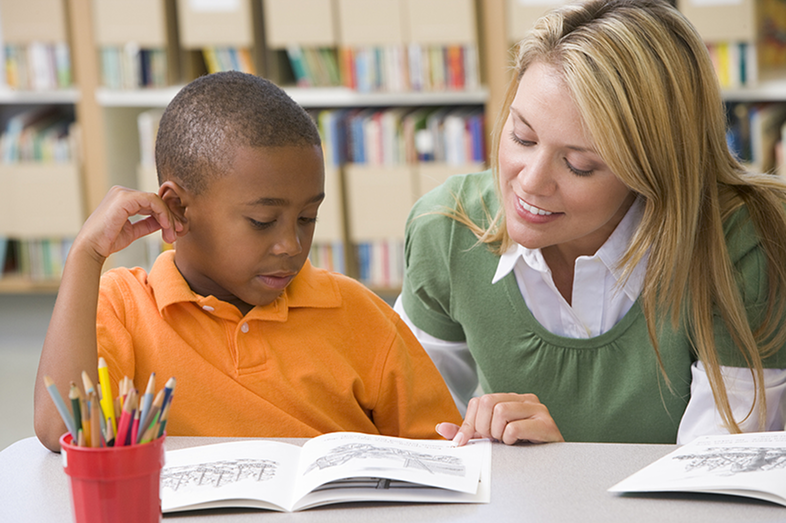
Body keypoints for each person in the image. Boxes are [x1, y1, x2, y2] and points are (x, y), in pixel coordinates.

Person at [394, 0, 786, 446]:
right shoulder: (444, 229)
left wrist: (568, 469)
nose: (531, 182)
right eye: (522, 136)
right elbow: (409, 434)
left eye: (579, 165)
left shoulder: (741, 243)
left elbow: (712, 487)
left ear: (652, 171)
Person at [34, 71, 461, 452]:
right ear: (178, 208)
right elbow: (62, 430)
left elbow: (444, 456)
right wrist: (85, 256)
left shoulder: (361, 316)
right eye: (262, 222)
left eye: (307, 218)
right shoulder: (124, 307)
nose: (291, 245)